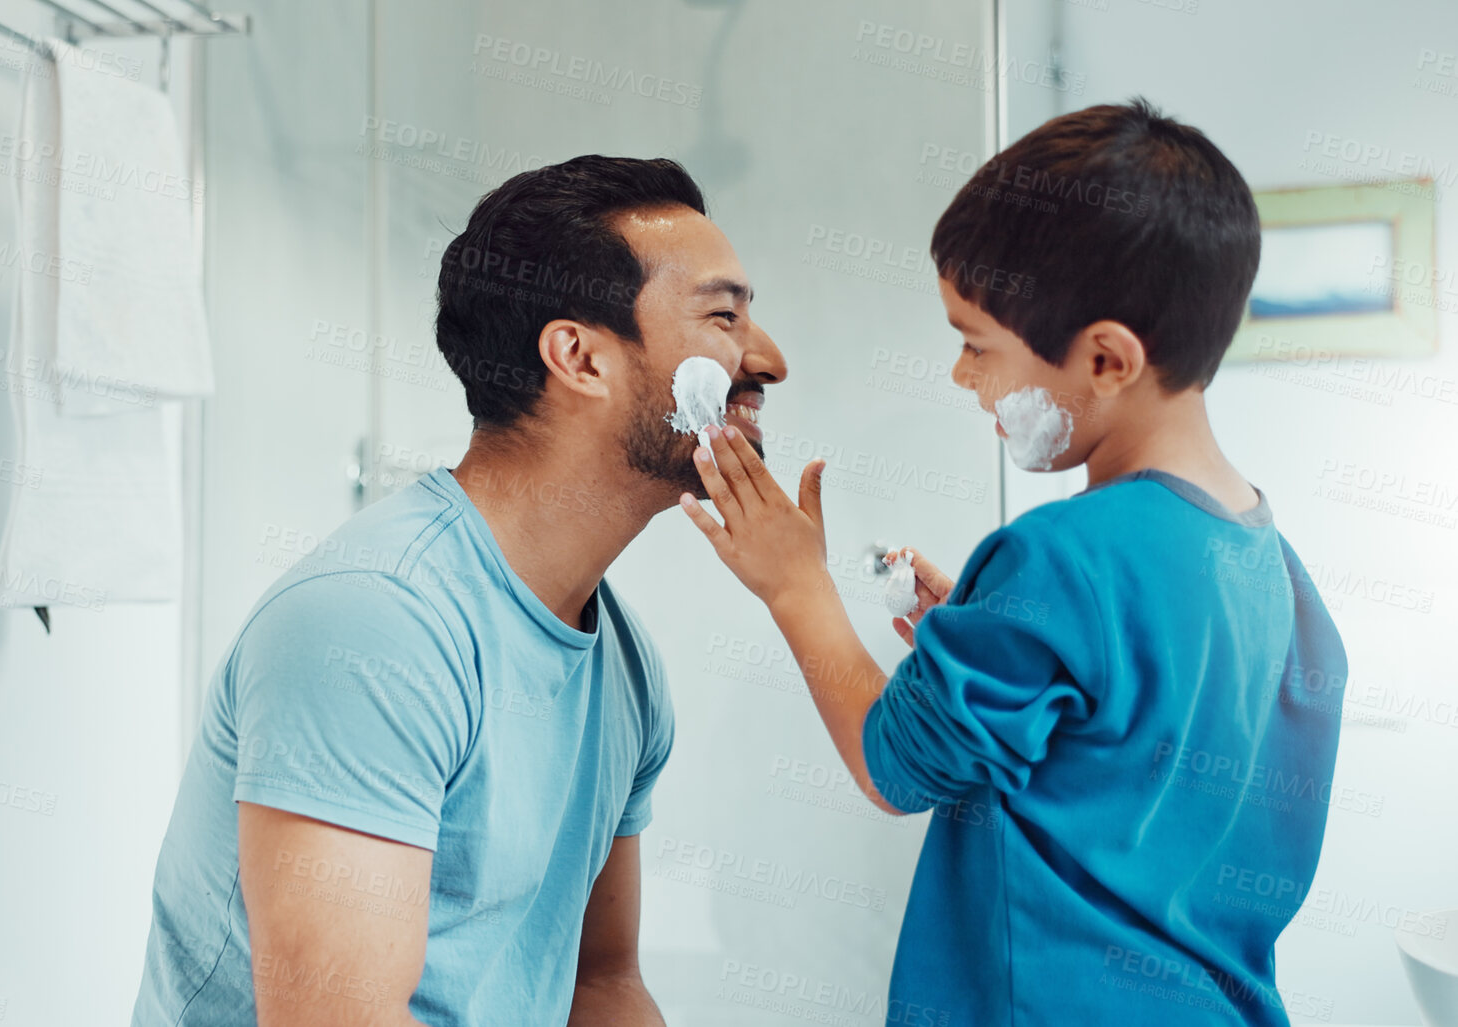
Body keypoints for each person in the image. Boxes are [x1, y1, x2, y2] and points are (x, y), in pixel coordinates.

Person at [678, 99, 1346, 1025]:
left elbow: (893, 768)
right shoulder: (1278, 572)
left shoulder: (1059, 560)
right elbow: (1119, 750)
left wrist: (796, 584)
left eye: (974, 343)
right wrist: (988, 642)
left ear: (1107, 359)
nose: (961, 376)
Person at [130, 154, 787, 1026]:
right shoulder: (375, 623)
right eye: (722, 316)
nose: (768, 360)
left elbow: (603, 983)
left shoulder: (621, 664)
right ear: (580, 357)